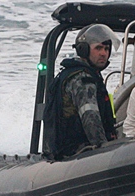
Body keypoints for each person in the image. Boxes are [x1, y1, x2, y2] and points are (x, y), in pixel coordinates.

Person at [42, 24, 120, 160]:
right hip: (77, 153)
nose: (103, 53)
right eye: (98, 48)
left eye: (106, 48)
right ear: (83, 50)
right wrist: (106, 153)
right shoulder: (84, 80)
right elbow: (91, 119)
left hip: (64, 154)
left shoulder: (70, 74)